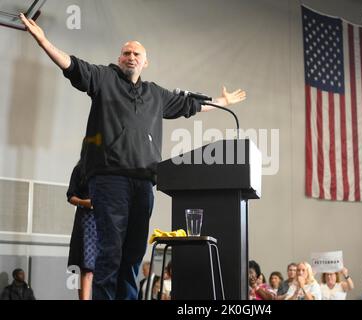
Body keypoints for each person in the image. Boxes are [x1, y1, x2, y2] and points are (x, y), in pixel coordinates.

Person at [20, 14, 246, 300]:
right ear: (120, 57)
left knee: (134, 254)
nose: (130, 57)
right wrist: (43, 41)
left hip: (144, 182)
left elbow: (191, 106)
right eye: (126, 52)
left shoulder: (156, 94)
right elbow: (72, 66)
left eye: (136, 53)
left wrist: (223, 102)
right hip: (109, 179)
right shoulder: (104, 78)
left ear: (145, 62)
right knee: (110, 251)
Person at [67, 161, 97, 300]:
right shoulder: (80, 169)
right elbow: (70, 196)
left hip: (106, 219)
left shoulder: (108, 169)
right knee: (87, 267)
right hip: (87, 220)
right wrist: (86, 203)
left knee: (106, 266)